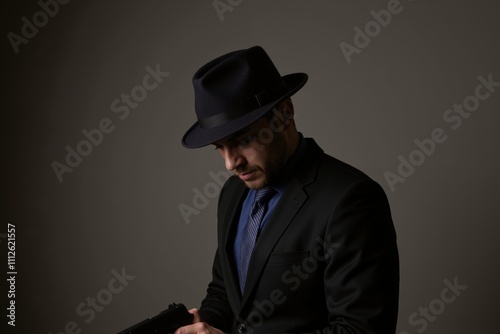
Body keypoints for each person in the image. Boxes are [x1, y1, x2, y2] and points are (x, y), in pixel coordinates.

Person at [178, 46, 399, 334]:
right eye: (219, 148)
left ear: (284, 114)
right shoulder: (233, 194)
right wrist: (204, 324)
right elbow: (226, 292)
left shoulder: (351, 200)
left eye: (243, 141)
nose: (231, 163)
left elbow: (360, 330)